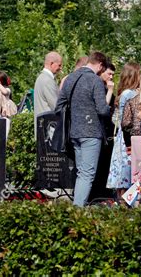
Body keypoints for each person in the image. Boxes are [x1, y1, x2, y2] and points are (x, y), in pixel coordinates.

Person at [55, 51, 110, 207]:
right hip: (91, 132)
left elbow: (59, 106)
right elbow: (102, 110)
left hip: (74, 132)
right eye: (103, 68)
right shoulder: (95, 80)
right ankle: (77, 211)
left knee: (81, 173)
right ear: (100, 65)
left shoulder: (70, 78)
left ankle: (77, 207)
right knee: (87, 174)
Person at [106, 62, 141, 200]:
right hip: (127, 136)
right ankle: (124, 204)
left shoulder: (125, 93)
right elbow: (125, 119)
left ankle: (124, 203)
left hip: (123, 134)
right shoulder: (129, 94)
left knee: (125, 172)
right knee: (126, 171)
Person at [88, 62, 116, 202]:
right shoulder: (98, 87)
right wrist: (110, 92)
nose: (111, 77)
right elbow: (102, 109)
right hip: (98, 129)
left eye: (113, 75)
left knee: (105, 165)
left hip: (108, 131)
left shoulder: (106, 87)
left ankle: (104, 195)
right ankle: (96, 196)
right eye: (109, 73)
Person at [34, 51, 63, 135]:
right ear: (52, 63)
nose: (60, 68)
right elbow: (56, 106)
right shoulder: (47, 80)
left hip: (43, 128)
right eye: (59, 65)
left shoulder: (41, 78)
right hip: (48, 129)